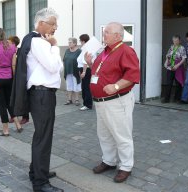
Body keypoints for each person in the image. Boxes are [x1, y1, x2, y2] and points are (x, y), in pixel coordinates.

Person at [11, 8, 63, 192]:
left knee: (41, 135)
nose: (56, 27)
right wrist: (55, 46)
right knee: (43, 137)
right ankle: (40, 183)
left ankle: (37, 171)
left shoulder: (31, 39)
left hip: (39, 94)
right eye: (53, 23)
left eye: (56, 24)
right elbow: (54, 67)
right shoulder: (40, 42)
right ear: (41, 23)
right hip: (42, 94)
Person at [85, 22, 140, 183]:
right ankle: (109, 161)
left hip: (116, 101)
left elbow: (133, 75)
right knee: (104, 134)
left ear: (118, 35)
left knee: (121, 135)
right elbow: (100, 71)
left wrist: (116, 86)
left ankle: (126, 166)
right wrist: (90, 63)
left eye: (107, 32)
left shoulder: (126, 51)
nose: (104, 35)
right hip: (101, 102)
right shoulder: (104, 51)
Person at [0, 28, 22, 136]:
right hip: (9, 78)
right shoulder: (12, 47)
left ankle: (6, 130)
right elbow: (13, 65)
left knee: (2, 104)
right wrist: (14, 78)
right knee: (9, 103)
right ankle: (18, 124)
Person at [8, 35, 29, 124]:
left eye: (9, 42)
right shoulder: (8, 51)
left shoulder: (20, 51)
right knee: (12, 97)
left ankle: (25, 116)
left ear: (13, 43)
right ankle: (14, 115)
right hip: (11, 76)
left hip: (19, 77)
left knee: (22, 96)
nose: (7, 43)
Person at [162, 35, 187, 103]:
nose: (175, 42)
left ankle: (177, 99)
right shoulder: (171, 47)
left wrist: (177, 65)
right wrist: (166, 62)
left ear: (179, 41)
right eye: (174, 40)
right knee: (168, 83)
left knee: (178, 84)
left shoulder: (182, 48)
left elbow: (184, 58)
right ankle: (166, 99)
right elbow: (168, 56)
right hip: (170, 67)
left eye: (176, 40)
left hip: (178, 68)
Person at [63, 38, 82, 106]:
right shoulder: (67, 50)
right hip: (68, 71)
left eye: (70, 42)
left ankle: (77, 100)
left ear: (75, 43)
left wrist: (80, 71)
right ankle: (69, 99)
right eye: (68, 42)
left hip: (75, 71)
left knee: (76, 85)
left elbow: (81, 61)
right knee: (69, 85)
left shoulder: (79, 51)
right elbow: (64, 59)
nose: (69, 44)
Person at [78, 34, 93, 111]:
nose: (80, 42)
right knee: (84, 87)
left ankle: (88, 104)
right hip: (84, 69)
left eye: (80, 40)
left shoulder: (86, 48)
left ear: (83, 41)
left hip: (86, 69)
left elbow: (85, 61)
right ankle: (86, 103)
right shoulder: (85, 48)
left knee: (86, 87)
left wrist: (83, 72)